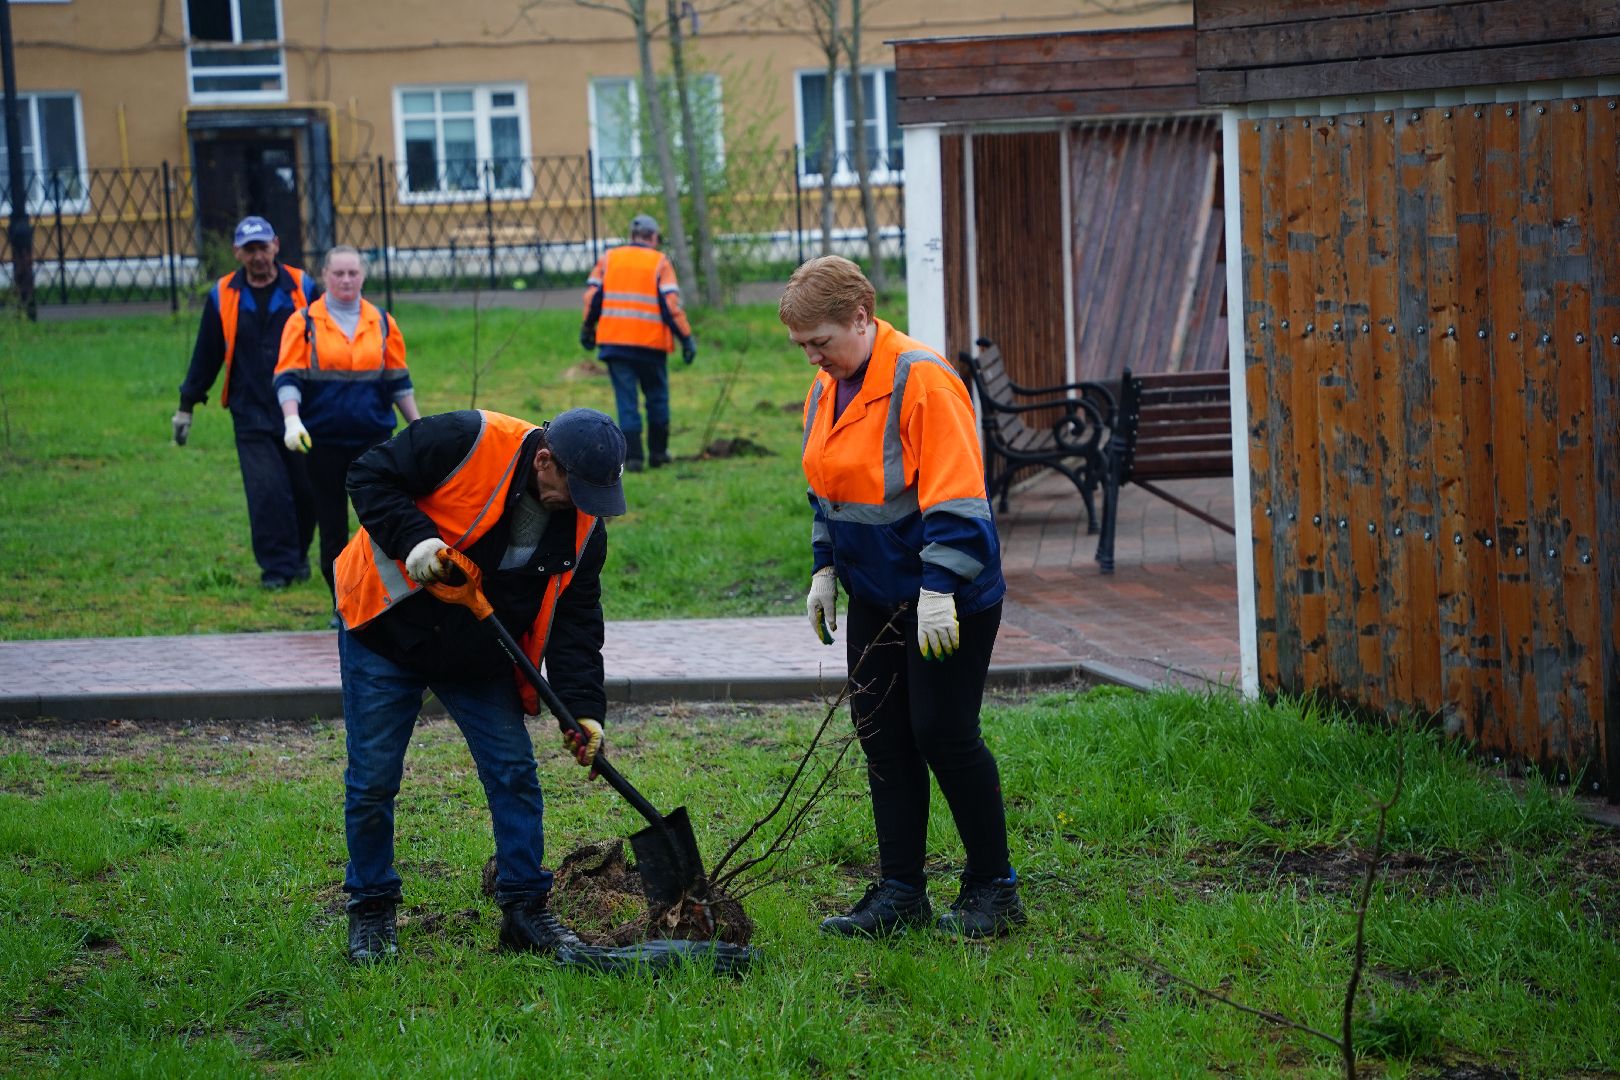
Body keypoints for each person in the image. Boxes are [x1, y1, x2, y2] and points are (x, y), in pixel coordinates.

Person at [780, 255, 1026, 940]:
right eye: (802, 347)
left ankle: (995, 890)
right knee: (883, 739)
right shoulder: (827, 389)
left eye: (820, 342)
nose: (812, 360)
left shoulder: (923, 382)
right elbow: (827, 487)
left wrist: (939, 589)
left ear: (862, 317)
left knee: (943, 734)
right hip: (877, 597)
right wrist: (824, 567)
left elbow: (956, 496)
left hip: (946, 599)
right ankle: (901, 893)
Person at [332, 406, 627, 964]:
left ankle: (524, 909)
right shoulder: (465, 440)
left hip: (475, 649)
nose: (586, 507)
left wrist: (586, 711)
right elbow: (368, 473)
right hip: (387, 625)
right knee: (372, 778)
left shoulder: (586, 532)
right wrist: (416, 542)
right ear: (545, 463)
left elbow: (577, 622)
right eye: (578, 489)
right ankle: (371, 906)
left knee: (513, 772)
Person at [174, 215, 319, 589]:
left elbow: (327, 341)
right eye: (249, 249)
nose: (258, 256)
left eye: (263, 247)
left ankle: (298, 557)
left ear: (276, 245)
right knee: (267, 490)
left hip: (302, 409)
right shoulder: (223, 294)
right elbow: (206, 353)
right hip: (249, 409)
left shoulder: (302, 286)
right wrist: (187, 405)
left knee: (305, 491)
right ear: (238, 252)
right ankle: (276, 569)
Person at [274, 246, 420, 602]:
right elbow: (288, 378)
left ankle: (384, 597)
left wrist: (419, 427)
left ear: (363, 276)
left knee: (380, 520)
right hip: (322, 442)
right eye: (338, 273)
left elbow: (397, 381)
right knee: (333, 525)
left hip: (373, 438)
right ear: (324, 276)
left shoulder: (382, 322)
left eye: (352, 273)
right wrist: (291, 420)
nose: (346, 280)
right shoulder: (304, 322)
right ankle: (341, 601)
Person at [579, 213, 696, 472]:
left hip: (615, 344)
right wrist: (686, 338)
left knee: (626, 401)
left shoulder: (609, 259)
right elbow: (671, 305)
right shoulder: (660, 262)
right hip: (651, 346)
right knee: (656, 398)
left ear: (632, 236)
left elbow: (593, 298)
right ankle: (658, 453)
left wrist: (587, 328)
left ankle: (632, 458)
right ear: (653, 237)